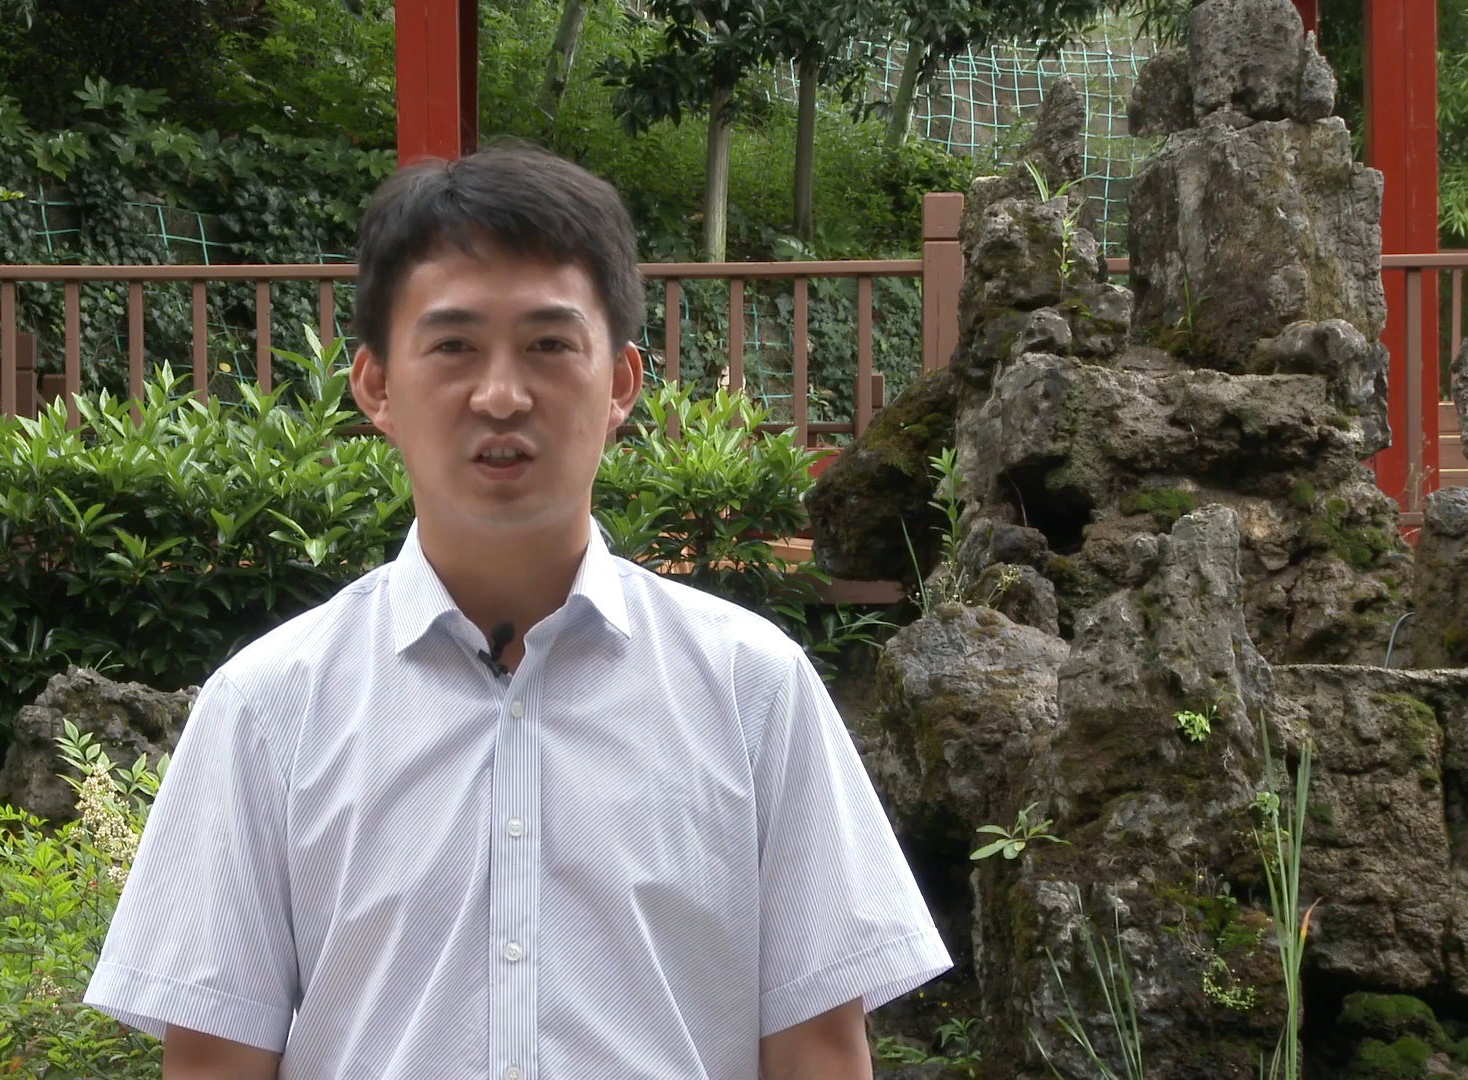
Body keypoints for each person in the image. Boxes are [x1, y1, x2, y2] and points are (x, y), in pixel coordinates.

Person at [83, 144, 950, 1080]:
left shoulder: (752, 689)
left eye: (548, 345)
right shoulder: (268, 709)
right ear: (376, 385)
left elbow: (820, 1050)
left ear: (620, 384)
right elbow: (214, 1061)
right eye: (453, 346)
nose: (501, 395)